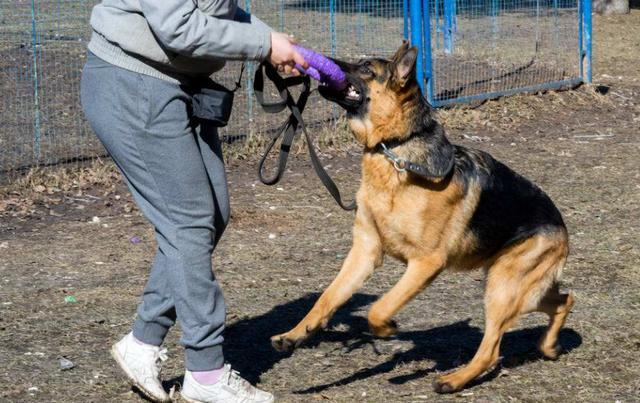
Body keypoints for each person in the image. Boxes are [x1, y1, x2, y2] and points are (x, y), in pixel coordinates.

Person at [80, 1, 308, 402]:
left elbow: (219, 11)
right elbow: (178, 27)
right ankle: (206, 374)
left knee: (212, 214)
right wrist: (261, 43)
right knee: (188, 224)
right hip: (133, 81)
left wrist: (273, 42)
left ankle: (141, 343)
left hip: (175, 84)